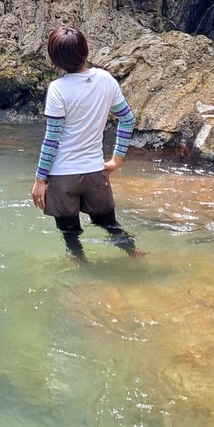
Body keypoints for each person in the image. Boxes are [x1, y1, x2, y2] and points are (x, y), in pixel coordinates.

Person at [30, 25, 140, 260]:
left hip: (63, 177)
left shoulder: (58, 90)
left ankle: (80, 262)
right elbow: (127, 120)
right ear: (85, 50)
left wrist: (40, 180)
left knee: (70, 232)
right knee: (110, 225)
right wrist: (116, 160)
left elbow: (52, 140)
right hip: (95, 173)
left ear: (55, 60)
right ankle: (133, 252)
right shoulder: (105, 79)